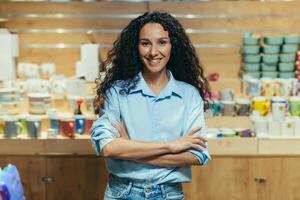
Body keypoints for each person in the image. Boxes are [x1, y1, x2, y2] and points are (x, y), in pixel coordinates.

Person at [91, 11, 211, 200]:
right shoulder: (117, 92)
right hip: (122, 193)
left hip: (168, 194)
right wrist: (172, 146)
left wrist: (130, 150)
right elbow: (108, 148)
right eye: (145, 43)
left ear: (173, 46)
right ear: (135, 47)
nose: (153, 52)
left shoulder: (189, 95)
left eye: (162, 42)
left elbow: (197, 155)